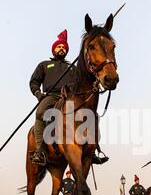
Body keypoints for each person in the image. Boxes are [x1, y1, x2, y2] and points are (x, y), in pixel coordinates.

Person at [29, 29, 109, 166]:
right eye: (59, 47)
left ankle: (93, 149)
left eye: (64, 48)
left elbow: (82, 82)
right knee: (41, 113)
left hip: (68, 97)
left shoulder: (72, 67)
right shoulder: (44, 65)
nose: (61, 49)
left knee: (92, 115)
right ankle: (40, 150)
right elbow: (34, 82)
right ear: (54, 50)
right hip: (51, 96)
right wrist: (39, 94)